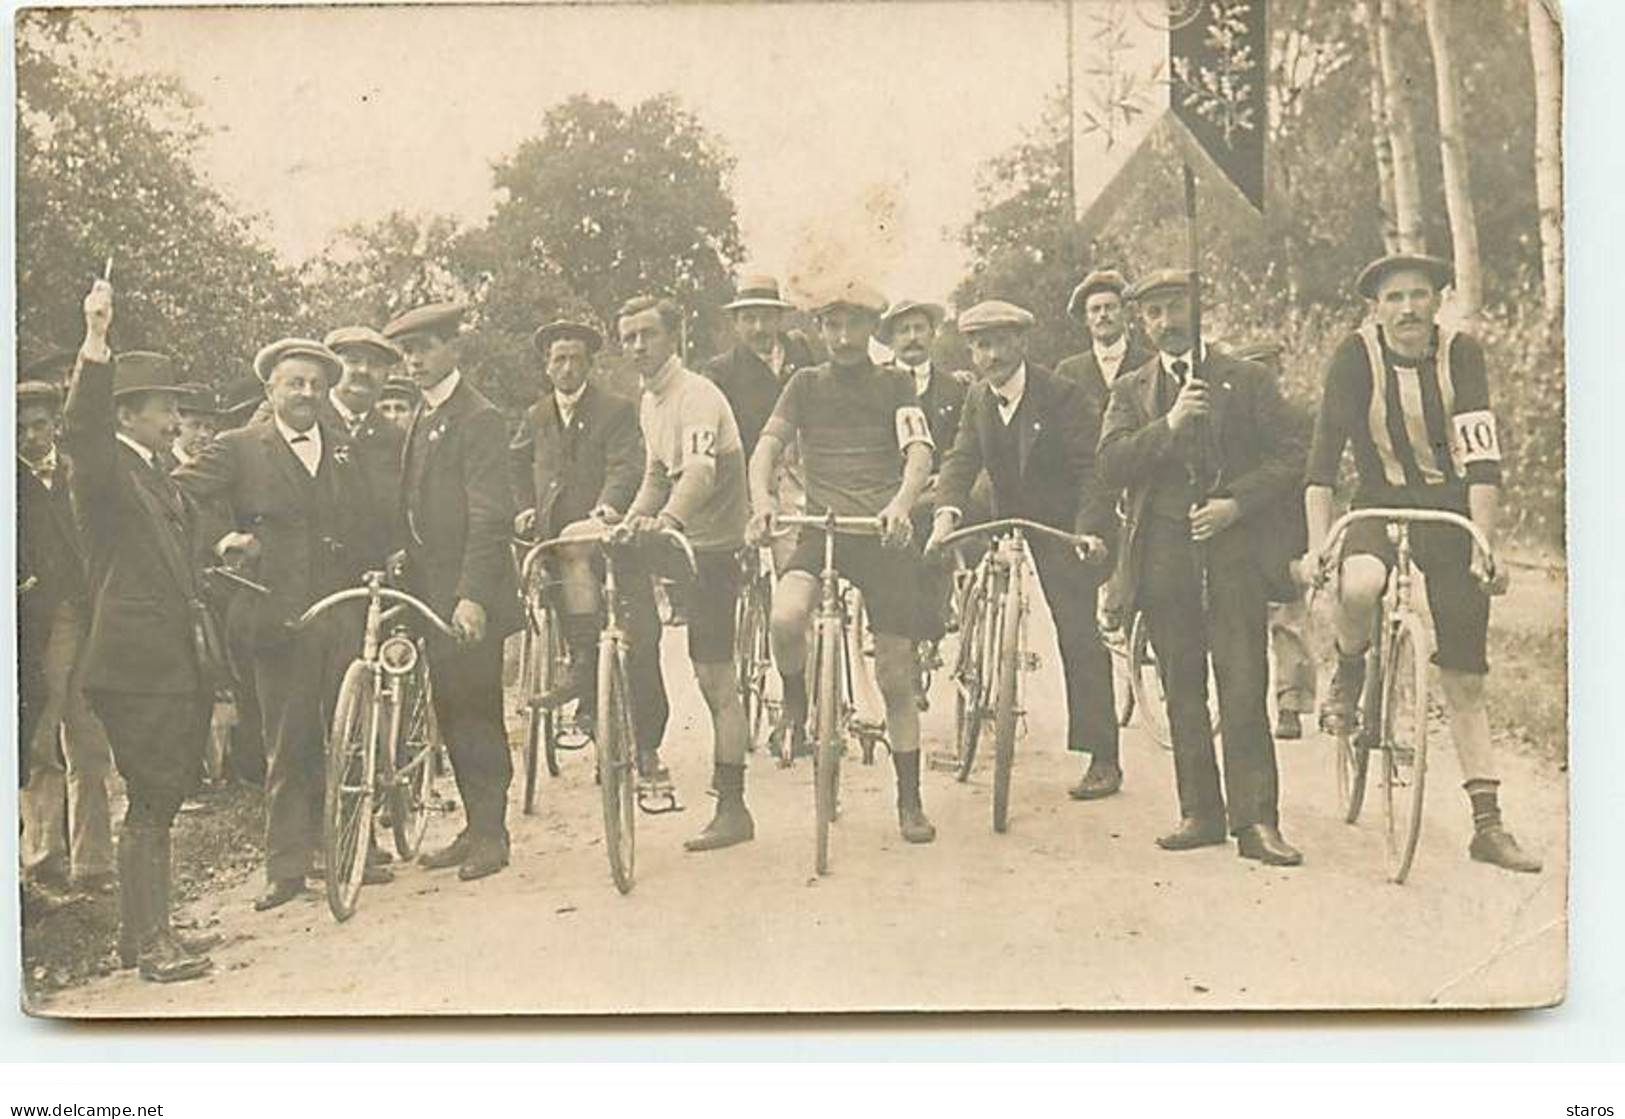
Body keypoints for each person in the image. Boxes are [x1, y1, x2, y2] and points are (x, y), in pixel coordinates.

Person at [1300, 253, 1540, 874]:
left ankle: (1487, 824)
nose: (1407, 308)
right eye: (1393, 299)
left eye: (1418, 296)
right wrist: (1318, 545)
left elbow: (1482, 461)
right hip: (1378, 504)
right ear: (1375, 309)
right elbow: (1321, 466)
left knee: (1465, 676)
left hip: (1449, 508)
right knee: (1362, 582)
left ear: (1436, 302)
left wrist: (1483, 544)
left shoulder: (1462, 354)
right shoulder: (1355, 357)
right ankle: (1351, 669)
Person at [173, 338, 389, 911]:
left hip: (340, 608)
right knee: (288, 741)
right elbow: (180, 493)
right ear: (271, 389)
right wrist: (224, 539)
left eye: (317, 385)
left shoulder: (343, 445)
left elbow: (368, 515)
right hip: (276, 613)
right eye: (296, 383)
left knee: (345, 732)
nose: (307, 394)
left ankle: (344, 847)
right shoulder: (239, 447)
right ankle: (286, 867)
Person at [1098, 269, 1304, 866]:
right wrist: (1170, 425)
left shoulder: (1247, 379)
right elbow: (1111, 463)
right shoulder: (1133, 390)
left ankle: (1257, 822)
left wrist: (1236, 503)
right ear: (1142, 322)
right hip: (1163, 548)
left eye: (1176, 307)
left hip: (1232, 548)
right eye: (1155, 312)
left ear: (1198, 308)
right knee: (1181, 685)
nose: (1167, 322)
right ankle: (1201, 812)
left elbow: (1292, 454)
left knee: (1243, 682)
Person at [63, 279, 219, 982]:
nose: (176, 417)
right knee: (151, 797)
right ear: (128, 410)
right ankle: (150, 943)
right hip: (133, 666)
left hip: (165, 663)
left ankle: (145, 934)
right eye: (167, 405)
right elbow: (80, 435)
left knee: (160, 795)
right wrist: (96, 340)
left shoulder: (157, 478)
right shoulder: (106, 470)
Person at [748, 280, 938, 844]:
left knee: (896, 676)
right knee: (785, 618)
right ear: (820, 331)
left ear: (871, 330)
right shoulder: (803, 385)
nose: (844, 336)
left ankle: (910, 800)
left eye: (855, 325)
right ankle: (799, 708)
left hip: (878, 534)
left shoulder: (895, 382)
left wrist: (902, 504)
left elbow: (919, 451)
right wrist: (761, 502)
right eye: (832, 325)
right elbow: (766, 449)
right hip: (822, 530)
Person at [926, 300, 1123, 801]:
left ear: (1022, 343)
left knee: (1077, 627)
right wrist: (946, 514)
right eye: (979, 344)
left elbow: (1092, 471)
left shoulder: (1062, 395)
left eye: (998, 342)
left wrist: (1087, 531)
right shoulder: (977, 398)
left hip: (1059, 522)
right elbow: (961, 459)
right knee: (932, 535)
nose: (989, 355)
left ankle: (1102, 757)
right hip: (1003, 510)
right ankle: (959, 648)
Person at [387, 301, 522, 881]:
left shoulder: (479, 417)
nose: (414, 360)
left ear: (453, 349)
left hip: (470, 589)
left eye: (425, 348)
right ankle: (474, 824)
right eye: (407, 351)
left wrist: (473, 596)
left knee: (478, 707)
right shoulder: (423, 414)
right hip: (430, 589)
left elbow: (491, 515)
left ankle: (493, 833)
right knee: (449, 707)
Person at [615, 295, 755, 851]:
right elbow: (655, 473)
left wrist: (666, 521)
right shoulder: (650, 401)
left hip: (714, 545)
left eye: (647, 333)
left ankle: (733, 805)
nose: (637, 346)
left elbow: (696, 474)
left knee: (714, 677)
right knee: (612, 579)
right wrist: (630, 523)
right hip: (679, 538)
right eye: (627, 336)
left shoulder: (697, 395)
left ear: (673, 337)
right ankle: (607, 694)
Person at [510, 320, 667, 757]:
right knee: (571, 621)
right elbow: (516, 464)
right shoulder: (537, 415)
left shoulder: (615, 410)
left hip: (611, 541)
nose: (567, 368)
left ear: (590, 364)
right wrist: (523, 506)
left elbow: (625, 465)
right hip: (557, 548)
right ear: (547, 366)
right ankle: (586, 687)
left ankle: (648, 743)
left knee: (641, 636)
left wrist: (608, 508)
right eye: (559, 359)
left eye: (576, 359)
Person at [17, 378, 115, 895]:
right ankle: (43, 859)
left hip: (89, 612)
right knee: (41, 742)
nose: (32, 437)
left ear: (56, 424)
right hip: (40, 623)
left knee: (90, 738)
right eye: (20, 428)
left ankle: (94, 862)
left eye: (39, 425)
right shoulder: (11, 484)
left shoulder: (77, 473)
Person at [1055, 268, 1155, 639]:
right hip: (1085, 478)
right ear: (1085, 319)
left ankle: (1126, 602)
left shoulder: (1150, 363)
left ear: (1126, 313)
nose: (1103, 316)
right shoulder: (1068, 371)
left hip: (1135, 470)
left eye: (1110, 307)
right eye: (1094, 309)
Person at [1230, 339, 1316, 741]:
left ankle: (1290, 703)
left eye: (1267, 370)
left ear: (1278, 373)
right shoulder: (1227, 419)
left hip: (1286, 527)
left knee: (1288, 615)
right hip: (1242, 528)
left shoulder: (1297, 418)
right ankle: (1242, 702)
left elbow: (1311, 475)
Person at [877, 298, 965, 668]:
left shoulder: (955, 388)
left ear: (932, 334)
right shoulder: (875, 384)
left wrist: (942, 478)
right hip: (887, 490)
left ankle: (935, 618)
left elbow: (964, 445)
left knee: (939, 531)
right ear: (891, 340)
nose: (912, 338)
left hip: (938, 487)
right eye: (903, 331)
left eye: (919, 329)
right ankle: (896, 630)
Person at [322, 325, 407, 521]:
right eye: (353, 361)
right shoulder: (305, 424)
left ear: (386, 376)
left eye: (375, 364)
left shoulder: (398, 440)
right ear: (331, 370)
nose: (363, 370)